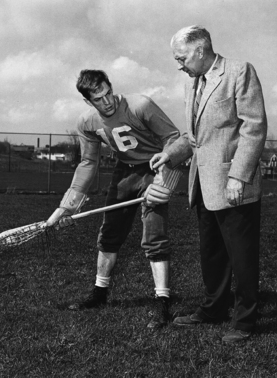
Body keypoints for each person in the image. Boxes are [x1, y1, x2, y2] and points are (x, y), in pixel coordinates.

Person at [47, 69, 191, 329]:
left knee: (154, 234)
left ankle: (162, 301)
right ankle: (99, 293)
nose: (107, 101)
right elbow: (89, 162)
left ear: (110, 87)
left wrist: (164, 181)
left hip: (157, 166)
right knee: (110, 232)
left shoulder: (141, 105)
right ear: (87, 101)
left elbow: (174, 139)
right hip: (125, 172)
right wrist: (66, 206)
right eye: (99, 99)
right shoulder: (87, 122)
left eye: (108, 92)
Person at [150, 25, 267, 342]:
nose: (180, 64)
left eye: (182, 57)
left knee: (241, 255)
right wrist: (170, 155)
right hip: (202, 183)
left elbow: (253, 129)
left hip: (233, 184)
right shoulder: (191, 84)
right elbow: (194, 137)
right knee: (211, 252)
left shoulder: (239, 72)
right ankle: (214, 309)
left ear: (200, 50)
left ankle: (245, 321)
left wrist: (238, 176)